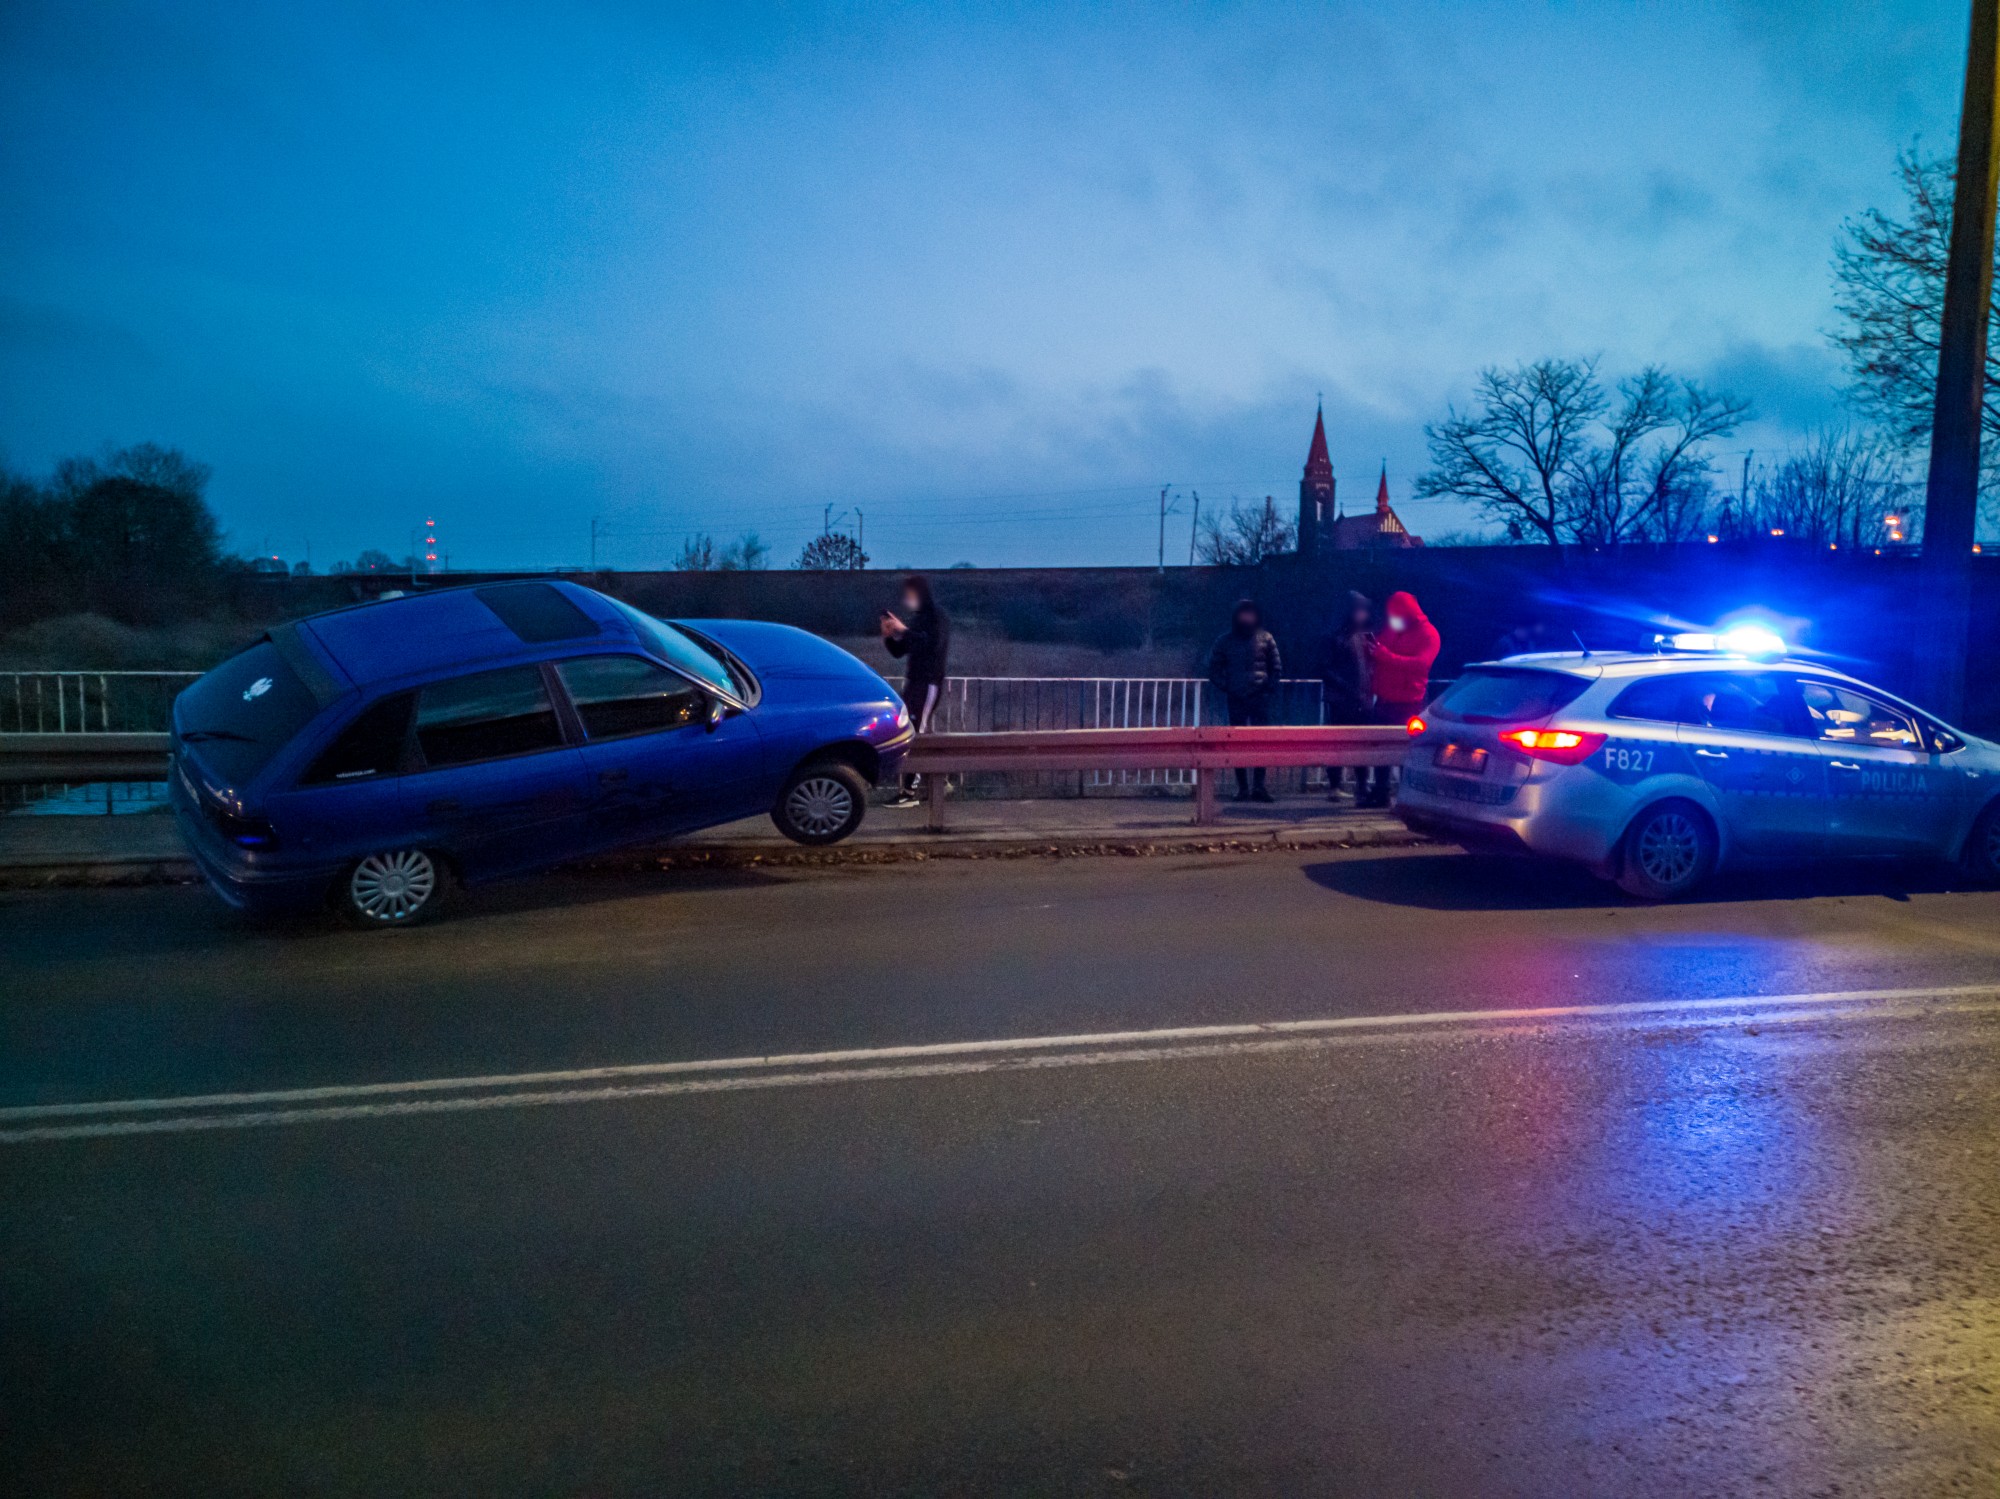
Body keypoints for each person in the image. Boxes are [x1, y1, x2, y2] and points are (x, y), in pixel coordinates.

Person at [1363, 590, 1440, 808]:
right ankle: (1381, 792)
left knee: (1408, 751)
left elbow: (1421, 664)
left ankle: (1408, 796)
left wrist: (1384, 655)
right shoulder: (1395, 628)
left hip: (1409, 701)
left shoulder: (1429, 633)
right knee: (1381, 749)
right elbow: (1381, 648)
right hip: (1386, 698)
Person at [880, 575, 950, 807]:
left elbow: (931, 644)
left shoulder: (936, 617)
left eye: (911, 595)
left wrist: (904, 629)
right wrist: (890, 635)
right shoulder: (919, 620)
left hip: (928, 682)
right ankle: (942, 779)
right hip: (914, 682)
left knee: (915, 731)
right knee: (919, 729)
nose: (908, 599)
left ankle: (909, 791)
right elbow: (901, 650)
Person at [1207, 598, 1282, 802]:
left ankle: (1259, 787)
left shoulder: (1266, 638)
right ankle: (1242, 788)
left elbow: (1276, 668)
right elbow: (1213, 669)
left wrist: (1268, 688)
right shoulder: (1225, 641)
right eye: (1243, 614)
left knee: (1261, 743)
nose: (1247, 618)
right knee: (1238, 744)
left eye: (1250, 614)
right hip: (1237, 697)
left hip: (1260, 697)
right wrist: (1228, 686)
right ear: (1236, 616)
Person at [1318, 591, 1375, 802]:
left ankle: (1362, 785)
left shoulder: (1367, 636)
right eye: (1358, 609)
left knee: (1361, 744)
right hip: (1341, 700)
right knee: (1338, 744)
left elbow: (1370, 666)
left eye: (1363, 610)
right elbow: (1324, 668)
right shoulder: (1334, 636)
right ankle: (1334, 786)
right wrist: (1348, 688)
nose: (1362, 614)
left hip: (1363, 699)